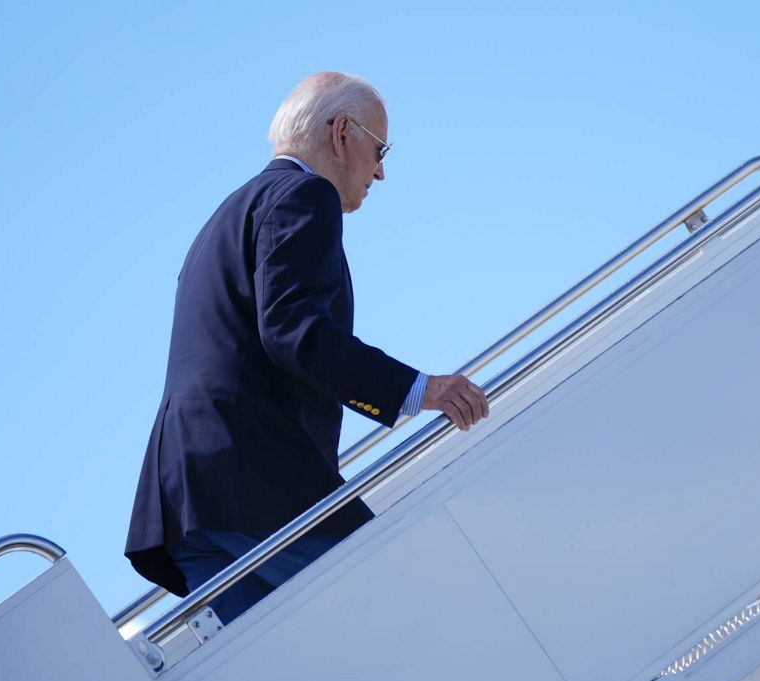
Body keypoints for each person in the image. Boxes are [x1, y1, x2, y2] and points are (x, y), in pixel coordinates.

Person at [124, 71, 489, 625]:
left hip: (183, 505)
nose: (382, 171)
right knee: (405, 610)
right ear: (342, 132)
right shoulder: (303, 194)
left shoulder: (224, 217)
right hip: (256, 487)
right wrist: (420, 389)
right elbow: (294, 330)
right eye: (379, 148)